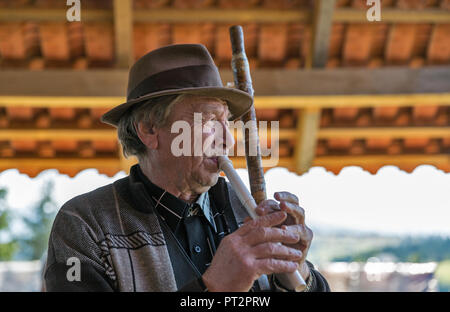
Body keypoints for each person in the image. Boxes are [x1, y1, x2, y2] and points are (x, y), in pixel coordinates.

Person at [44, 44, 330, 292]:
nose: (228, 139)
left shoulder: (246, 211)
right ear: (150, 129)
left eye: (226, 121)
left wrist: (296, 275)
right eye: (208, 120)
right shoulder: (85, 225)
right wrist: (214, 287)